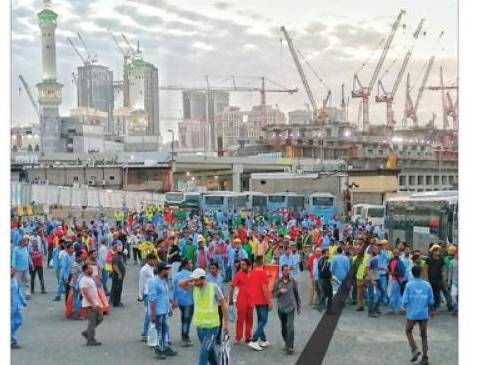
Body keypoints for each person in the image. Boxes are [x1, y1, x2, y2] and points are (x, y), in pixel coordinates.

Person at [179, 268, 229, 365]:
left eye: (196, 279)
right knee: (209, 353)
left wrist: (226, 324)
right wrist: (191, 278)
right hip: (200, 327)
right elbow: (180, 284)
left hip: (212, 327)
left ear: (202, 278)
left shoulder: (214, 288)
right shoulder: (194, 288)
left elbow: (223, 305)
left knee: (204, 353)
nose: (194, 281)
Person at [402, 265, 435, 365]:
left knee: (408, 330)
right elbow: (431, 300)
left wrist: (406, 308)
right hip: (423, 314)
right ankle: (425, 358)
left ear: (412, 273)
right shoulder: (427, 285)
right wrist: (431, 311)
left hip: (412, 313)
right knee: (424, 335)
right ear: (421, 273)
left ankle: (414, 349)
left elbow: (404, 301)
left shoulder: (409, 285)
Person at [149, 262, 177, 360]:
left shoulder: (163, 281)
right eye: (166, 270)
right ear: (161, 271)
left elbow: (164, 296)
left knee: (165, 330)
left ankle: (164, 347)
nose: (168, 271)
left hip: (163, 310)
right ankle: (158, 350)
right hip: (157, 312)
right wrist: (152, 315)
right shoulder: (154, 282)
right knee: (159, 332)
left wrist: (170, 306)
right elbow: (152, 300)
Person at [272, 265, 301, 355]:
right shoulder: (277, 282)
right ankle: (286, 342)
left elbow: (297, 294)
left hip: (291, 307)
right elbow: (273, 294)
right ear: (282, 271)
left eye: (288, 270)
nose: (287, 272)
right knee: (284, 327)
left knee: (290, 327)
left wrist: (298, 306)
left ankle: (290, 346)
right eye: (285, 270)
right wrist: (280, 291)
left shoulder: (293, 282)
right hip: (281, 308)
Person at [248, 256, 272, 351]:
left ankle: (263, 339)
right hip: (262, 300)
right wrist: (269, 301)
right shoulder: (263, 274)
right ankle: (254, 340)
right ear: (262, 262)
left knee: (260, 320)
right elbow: (264, 288)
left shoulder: (252, 273)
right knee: (264, 320)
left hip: (256, 300)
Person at [231, 259, 254, 343]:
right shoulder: (238, 274)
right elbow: (233, 287)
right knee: (240, 319)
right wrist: (232, 300)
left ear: (248, 266)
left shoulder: (252, 274)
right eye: (241, 265)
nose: (242, 266)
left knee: (250, 319)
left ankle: (248, 336)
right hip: (241, 300)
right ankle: (238, 337)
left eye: (243, 264)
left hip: (251, 300)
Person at [79, 264, 103, 346]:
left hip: (95, 302)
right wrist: (92, 303)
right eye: (90, 269)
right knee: (92, 322)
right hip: (89, 304)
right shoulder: (83, 280)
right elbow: (85, 293)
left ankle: (87, 332)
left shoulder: (90, 278)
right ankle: (90, 340)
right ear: (85, 270)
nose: (91, 270)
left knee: (100, 318)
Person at [173, 259, 194, 347]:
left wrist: (174, 300)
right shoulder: (191, 276)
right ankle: (185, 337)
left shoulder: (177, 275)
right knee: (187, 320)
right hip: (189, 300)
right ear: (186, 265)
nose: (191, 264)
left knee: (184, 318)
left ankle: (184, 334)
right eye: (190, 263)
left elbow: (174, 288)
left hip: (180, 300)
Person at [425, 244, 453, 311]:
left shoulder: (441, 259)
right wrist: (426, 278)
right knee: (435, 293)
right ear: (432, 251)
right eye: (436, 251)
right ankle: (434, 306)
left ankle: (450, 305)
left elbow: (443, 269)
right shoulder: (428, 259)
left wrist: (444, 277)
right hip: (431, 279)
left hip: (440, 279)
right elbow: (425, 269)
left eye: (438, 251)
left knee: (446, 291)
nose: (437, 252)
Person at [138, 253, 158, 342]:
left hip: (153, 293)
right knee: (148, 314)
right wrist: (140, 294)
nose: (155, 261)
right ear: (149, 260)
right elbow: (141, 283)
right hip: (147, 294)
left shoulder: (153, 268)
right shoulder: (144, 270)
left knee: (153, 313)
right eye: (154, 260)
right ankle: (144, 333)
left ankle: (151, 332)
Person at [206, 262, 225, 345]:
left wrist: (224, 298)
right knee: (210, 321)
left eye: (213, 268)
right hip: (210, 303)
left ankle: (218, 337)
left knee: (219, 321)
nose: (212, 270)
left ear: (217, 269)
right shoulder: (206, 278)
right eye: (210, 268)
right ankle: (210, 337)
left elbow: (221, 289)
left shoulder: (220, 278)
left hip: (219, 303)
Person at [11, 267, 27, 349]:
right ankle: (13, 341)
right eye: (11, 270)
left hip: (16, 305)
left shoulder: (14, 280)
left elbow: (19, 291)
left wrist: (23, 301)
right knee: (11, 323)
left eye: (13, 270)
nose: (12, 271)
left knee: (18, 321)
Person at [111, 243, 126, 307]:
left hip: (119, 275)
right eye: (118, 248)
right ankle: (116, 302)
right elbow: (115, 266)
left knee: (119, 288)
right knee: (117, 288)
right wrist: (119, 273)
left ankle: (117, 301)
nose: (120, 249)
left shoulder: (118, 256)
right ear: (115, 249)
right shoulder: (115, 256)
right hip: (117, 275)